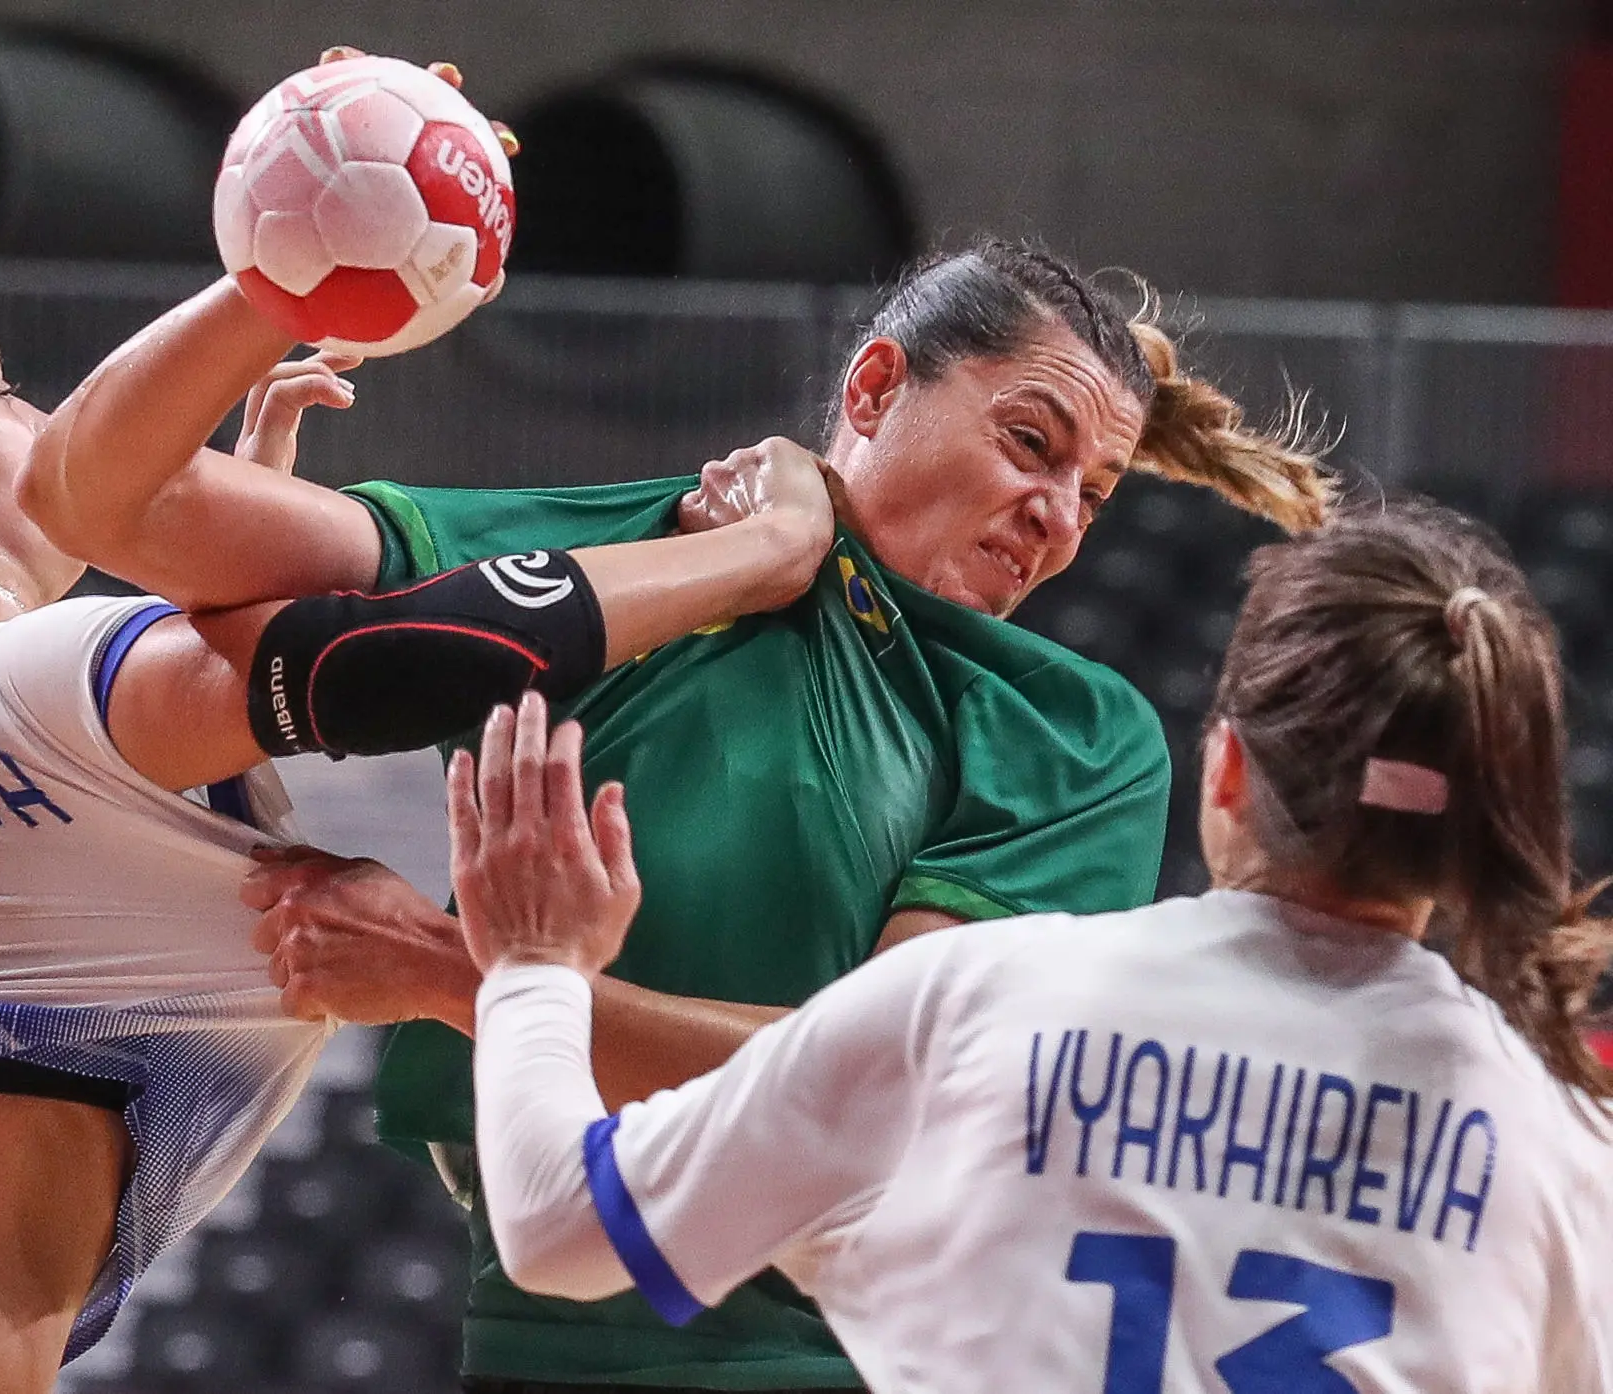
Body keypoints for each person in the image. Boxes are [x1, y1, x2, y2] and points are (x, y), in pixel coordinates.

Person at [0, 182, 835, 1394]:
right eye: (0, 386)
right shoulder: (14, 682)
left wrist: (232, 543)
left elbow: (63, 839)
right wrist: (754, 554)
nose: (36, 417)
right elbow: (394, 657)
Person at [243, 239, 1337, 1391]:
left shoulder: (1067, 726)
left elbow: (890, 1099)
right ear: (872, 388)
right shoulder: (621, 563)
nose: (1057, 518)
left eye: (1093, 496)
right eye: (1029, 446)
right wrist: (262, 324)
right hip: (530, 1343)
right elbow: (205, 582)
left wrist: (450, 971)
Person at [462, 500, 1613, 1394]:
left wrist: (531, 967)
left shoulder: (979, 997)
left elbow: (558, 1223)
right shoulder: (1559, 1141)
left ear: (1224, 769)